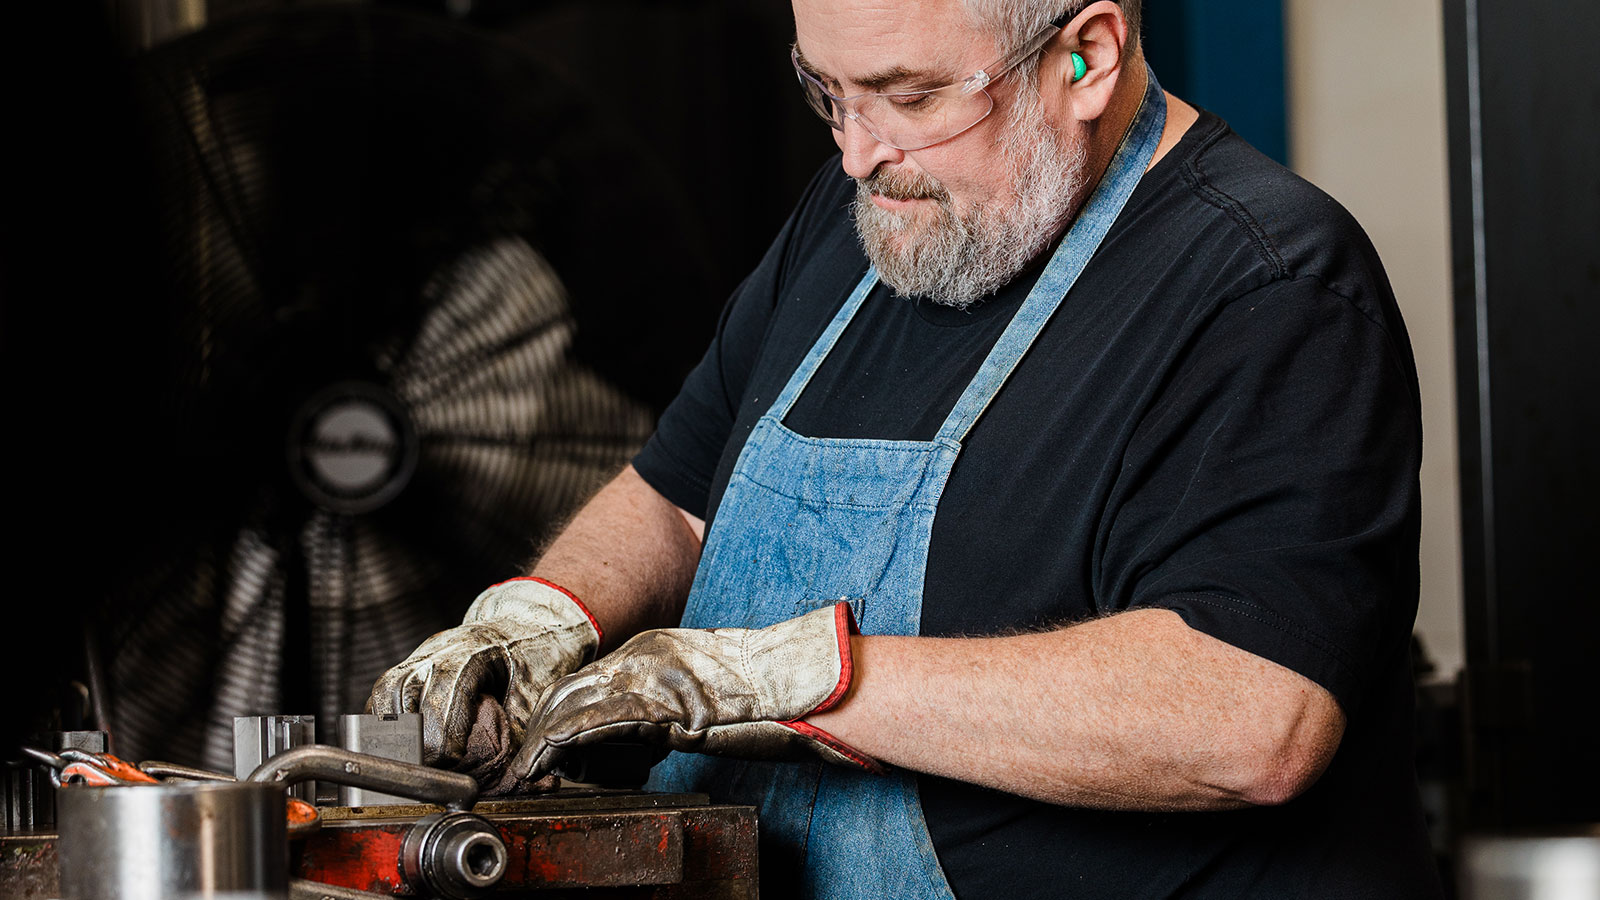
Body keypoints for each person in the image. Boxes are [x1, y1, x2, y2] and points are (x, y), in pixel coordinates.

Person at [371, 0, 1443, 895]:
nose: (857, 151)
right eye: (828, 93)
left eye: (912, 97)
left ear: (1086, 55)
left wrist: (786, 677)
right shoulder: (872, 214)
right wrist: (540, 617)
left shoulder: (1270, 287)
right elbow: (677, 496)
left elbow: (1248, 719)